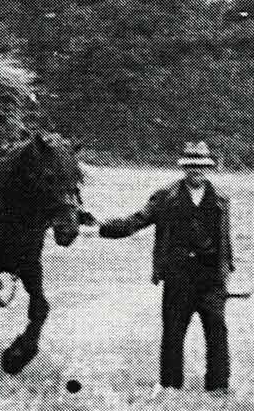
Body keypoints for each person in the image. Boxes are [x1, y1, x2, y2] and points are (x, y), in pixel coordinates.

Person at [96, 141, 234, 393]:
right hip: (178, 275)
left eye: (201, 166)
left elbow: (224, 238)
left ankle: (218, 387)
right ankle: (170, 385)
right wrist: (103, 228)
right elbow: (138, 220)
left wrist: (226, 270)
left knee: (217, 329)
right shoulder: (165, 197)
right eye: (191, 166)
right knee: (173, 331)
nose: (196, 170)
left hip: (210, 278)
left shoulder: (220, 199)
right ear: (184, 168)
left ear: (208, 168)